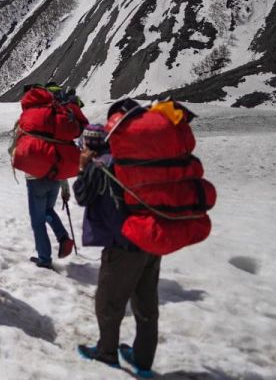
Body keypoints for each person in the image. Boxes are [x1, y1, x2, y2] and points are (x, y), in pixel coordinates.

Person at [75, 124, 160, 377]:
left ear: (90, 144)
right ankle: (143, 361)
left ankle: (106, 353)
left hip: (123, 246)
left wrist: (83, 167)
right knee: (146, 304)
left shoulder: (99, 166)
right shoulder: (132, 161)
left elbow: (82, 196)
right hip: (151, 240)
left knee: (109, 302)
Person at [25, 170, 75, 270]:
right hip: (55, 178)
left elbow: (16, 154)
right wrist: (65, 188)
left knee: (38, 221)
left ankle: (44, 259)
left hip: (35, 179)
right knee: (47, 210)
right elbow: (61, 161)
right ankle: (63, 238)